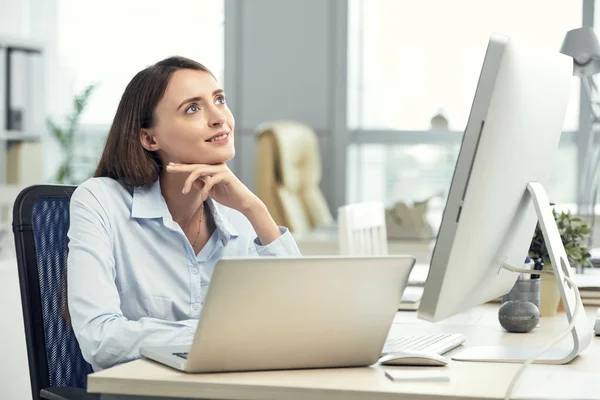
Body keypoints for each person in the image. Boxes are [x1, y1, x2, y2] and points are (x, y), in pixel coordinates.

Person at [67, 56, 301, 371]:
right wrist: (221, 335)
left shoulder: (238, 213)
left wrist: (255, 210)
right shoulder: (99, 201)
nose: (220, 118)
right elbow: (100, 338)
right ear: (150, 138)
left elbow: (300, 319)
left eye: (219, 100)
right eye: (193, 108)